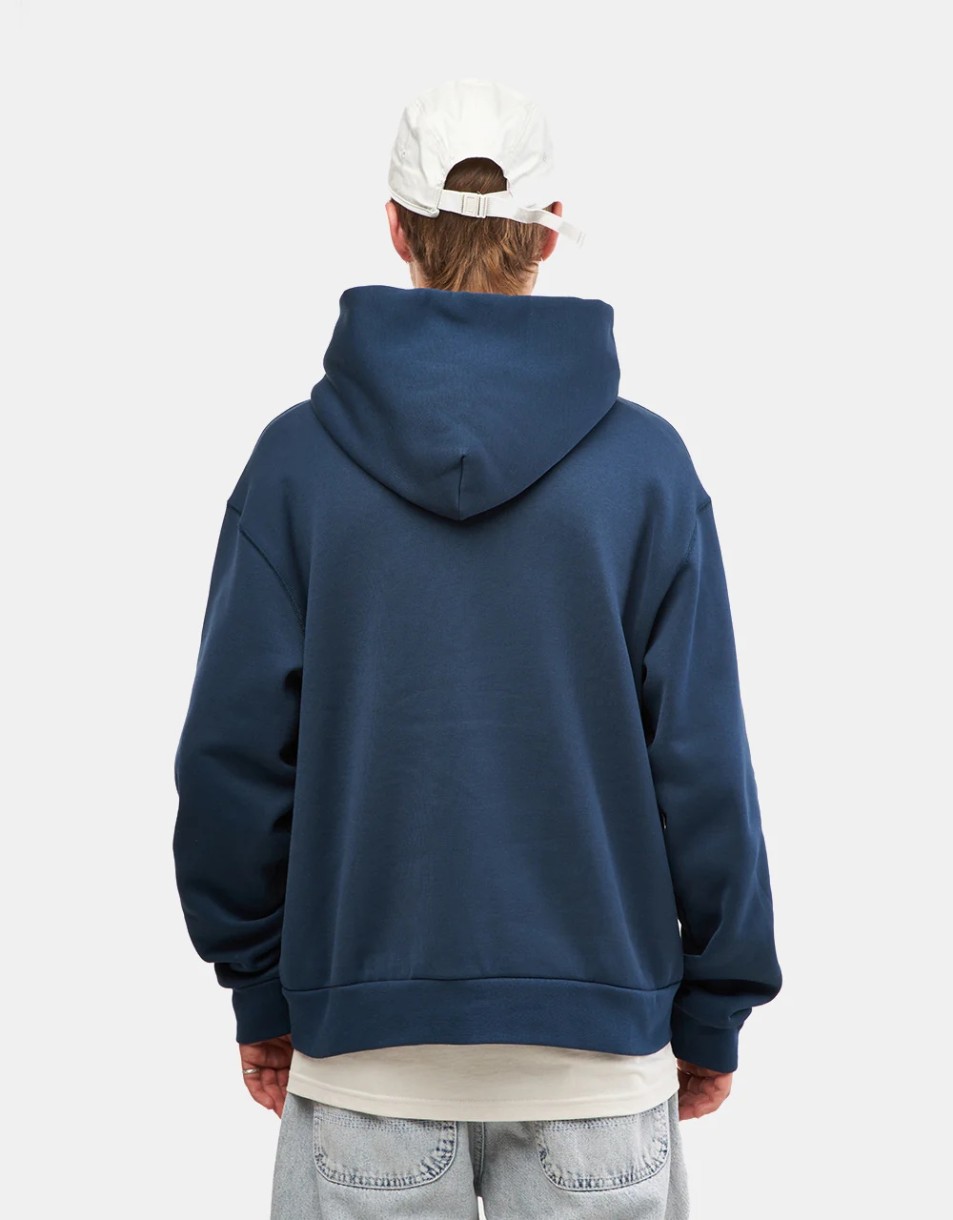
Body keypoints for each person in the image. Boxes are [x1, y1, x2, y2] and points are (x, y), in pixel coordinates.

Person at [172, 77, 783, 1219]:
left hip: (365, 1065)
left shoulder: (296, 467)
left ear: (394, 228)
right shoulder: (645, 471)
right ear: (547, 232)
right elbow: (702, 764)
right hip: (596, 1067)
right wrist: (714, 1008)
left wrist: (258, 988)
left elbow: (231, 762)